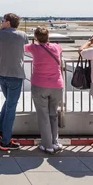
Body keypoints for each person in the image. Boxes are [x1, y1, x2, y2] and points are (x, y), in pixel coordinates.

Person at [25, 26, 64, 154]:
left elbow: (23, 48)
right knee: (53, 114)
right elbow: (59, 49)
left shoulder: (33, 48)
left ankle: (47, 145)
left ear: (36, 37)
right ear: (48, 36)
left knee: (43, 116)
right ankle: (55, 142)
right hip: (57, 85)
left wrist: (33, 41)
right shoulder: (56, 47)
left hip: (40, 85)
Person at [0, 13, 28, 151]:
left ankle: (1, 131)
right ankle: (5, 141)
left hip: (1, 73)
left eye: (3, 21)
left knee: (8, 102)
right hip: (15, 74)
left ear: (7, 22)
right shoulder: (22, 35)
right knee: (11, 107)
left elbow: (1, 31)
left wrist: (3, 26)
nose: (1, 23)